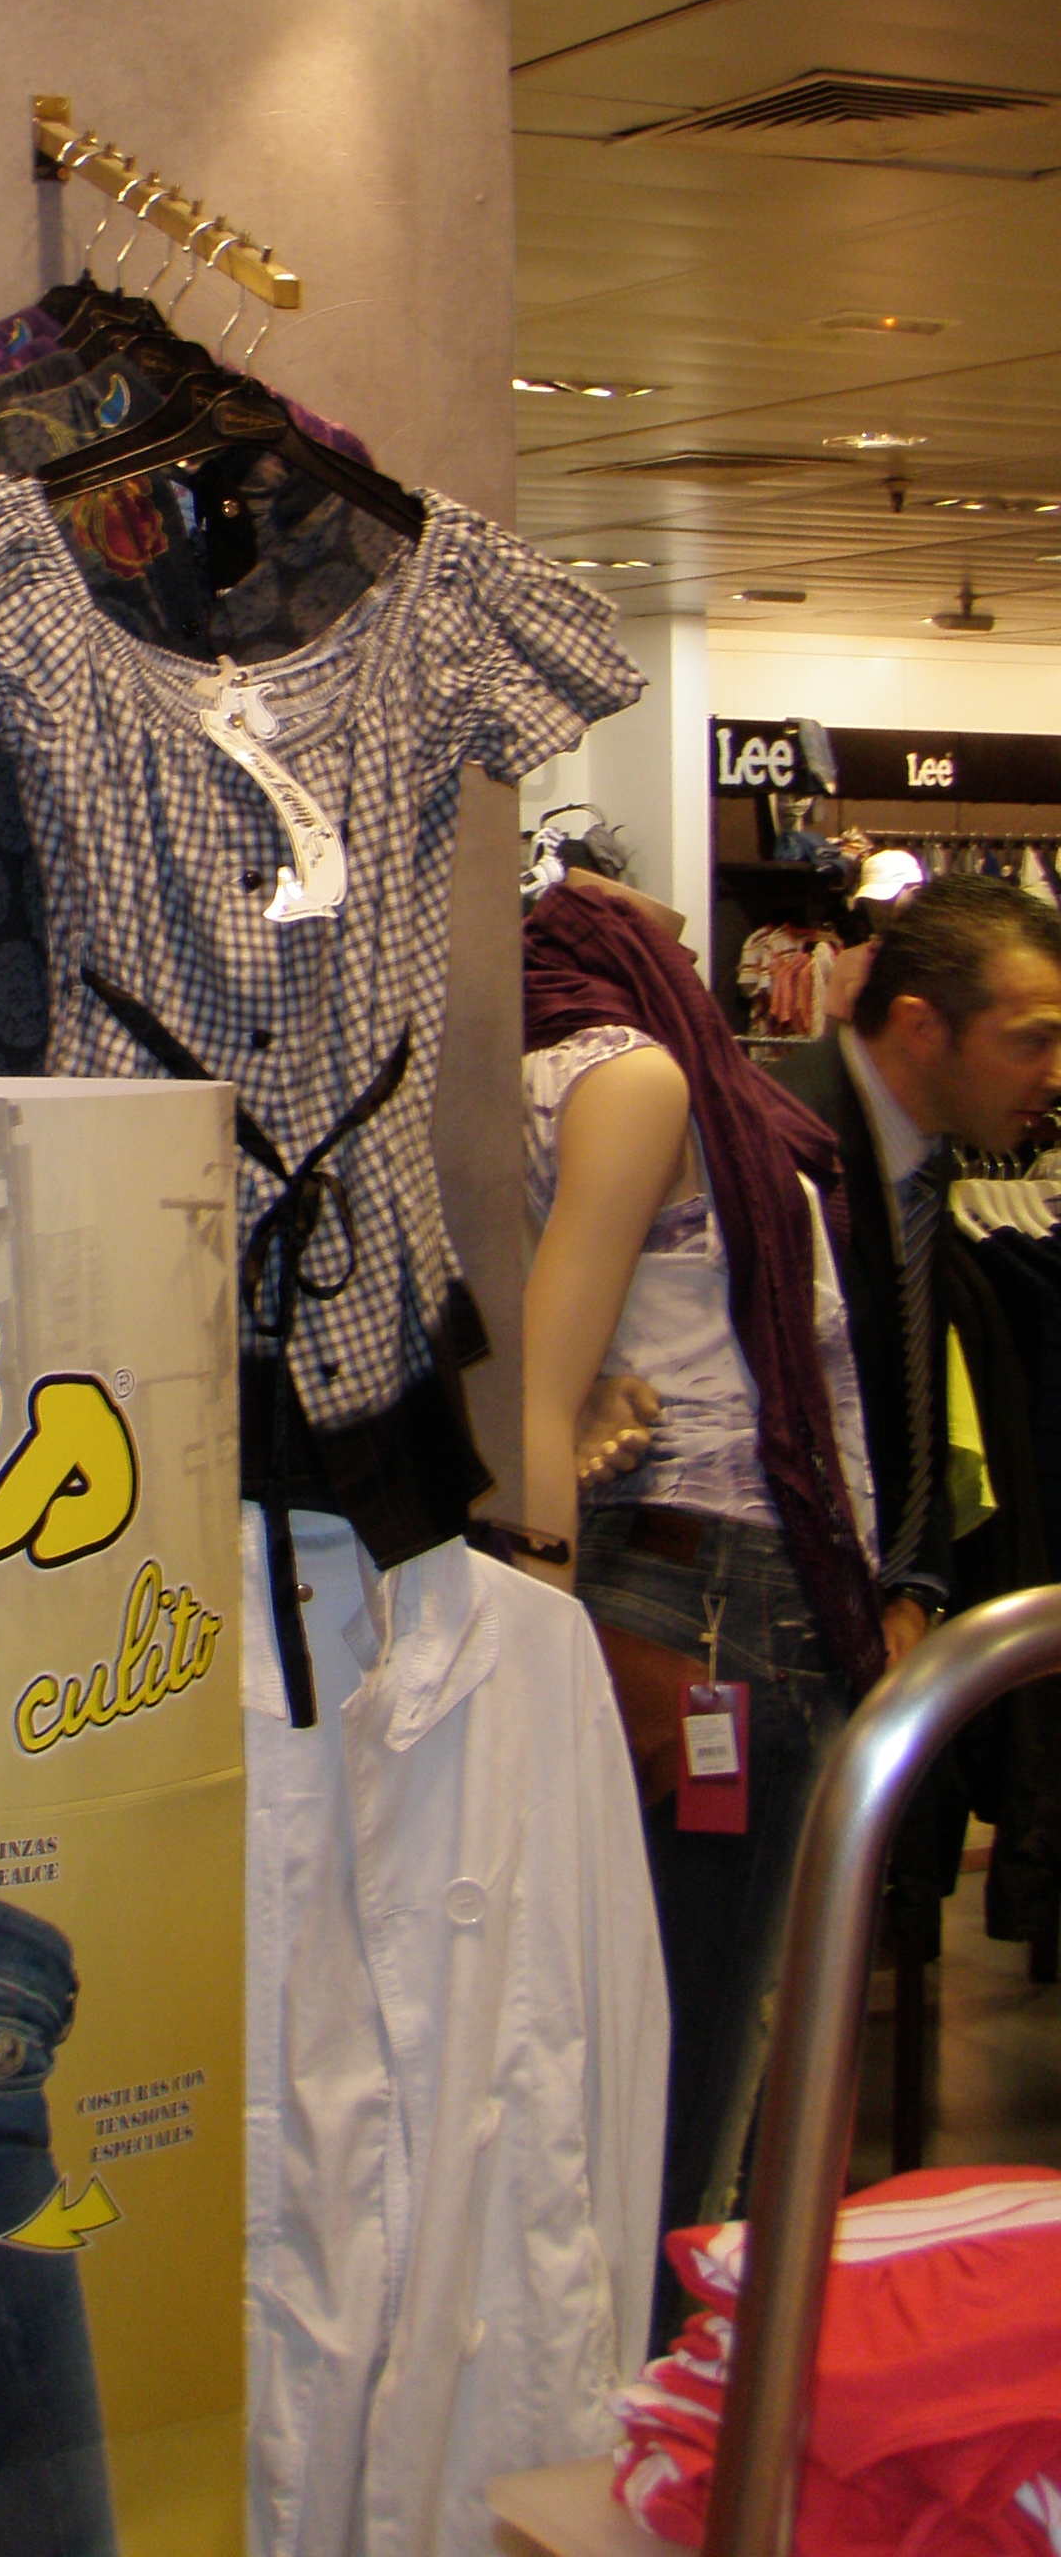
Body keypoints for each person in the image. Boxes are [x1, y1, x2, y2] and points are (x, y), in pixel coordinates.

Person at [519, 871, 887, 2347]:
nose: (684, 934)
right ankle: (661, 2395)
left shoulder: (525, 1073)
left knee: (625, 2039)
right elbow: (534, 1379)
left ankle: (623, 2374)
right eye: (658, 925)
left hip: (659, 1589)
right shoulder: (632, 1076)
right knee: (693, 2055)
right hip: (711, 1599)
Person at [774, 875, 1061, 1667]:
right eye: (1032, 1041)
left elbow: (912, 1398)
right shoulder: (786, 1153)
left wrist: (915, 1588)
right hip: (785, 1627)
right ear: (921, 1027)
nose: (1055, 1074)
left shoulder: (921, 1154)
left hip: (870, 1622)